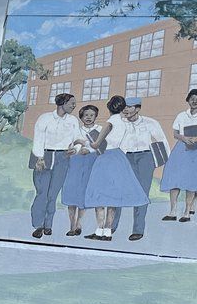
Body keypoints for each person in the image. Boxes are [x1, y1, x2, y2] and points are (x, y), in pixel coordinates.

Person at [102, 97, 169, 240]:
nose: (125, 109)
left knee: (142, 193)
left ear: (138, 109)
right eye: (124, 107)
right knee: (117, 191)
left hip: (145, 158)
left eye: (129, 107)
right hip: (124, 157)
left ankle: (138, 229)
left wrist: (157, 163)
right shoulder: (119, 124)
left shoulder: (151, 123)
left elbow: (162, 142)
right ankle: (111, 226)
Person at [84, 96, 150, 240]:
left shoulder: (110, 122)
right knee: (113, 197)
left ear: (109, 108)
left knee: (100, 195)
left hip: (106, 158)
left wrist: (87, 142)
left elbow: (96, 144)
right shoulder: (125, 123)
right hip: (119, 158)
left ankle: (99, 230)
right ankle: (107, 232)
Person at [29, 93, 87, 238]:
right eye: (71, 103)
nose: (74, 106)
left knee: (53, 195)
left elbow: (79, 139)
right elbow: (38, 138)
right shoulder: (45, 118)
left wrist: (76, 149)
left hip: (63, 158)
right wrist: (39, 157)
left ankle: (48, 225)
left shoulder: (73, 120)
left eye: (74, 103)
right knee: (42, 193)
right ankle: (38, 225)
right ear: (62, 103)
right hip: (44, 156)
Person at [61, 104, 101, 236]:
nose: (88, 118)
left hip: (91, 162)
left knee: (83, 194)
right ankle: (72, 226)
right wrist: (74, 150)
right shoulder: (76, 130)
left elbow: (103, 146)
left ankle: (79, 223)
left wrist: (89, 150)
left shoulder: (100, 130)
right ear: (81, 117)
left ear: (95, 116)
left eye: (91, 115)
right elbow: (71, 144)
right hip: (75, 162)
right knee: (71, 192)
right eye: (86, 115)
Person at [159, 88, 197, 221]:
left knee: (192, 180)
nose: (194, 101)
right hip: (181, 148)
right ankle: (173, 211)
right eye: (192, 98)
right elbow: (175, 133)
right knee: (174, 178)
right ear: (188, 100)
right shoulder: (181, 115)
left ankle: (187, 212)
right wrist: (184, 138)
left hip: (195, 150)